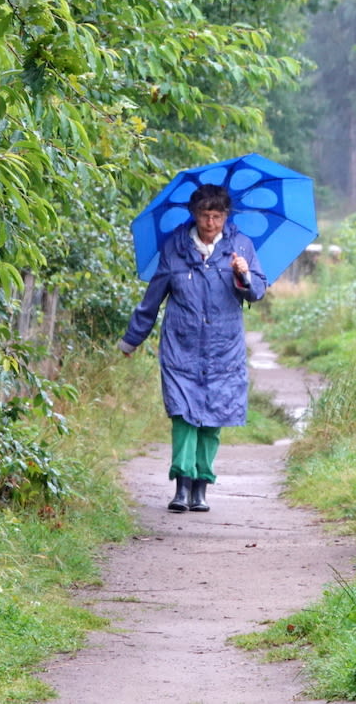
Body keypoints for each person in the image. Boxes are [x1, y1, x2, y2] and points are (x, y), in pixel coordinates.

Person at [118, 183, 267, 512]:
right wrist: (131, 339)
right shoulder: (174, 247)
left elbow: (256, 292)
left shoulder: (241, 246)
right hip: (180, 345)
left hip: (223, 347)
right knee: (183, 414)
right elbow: (152, 298)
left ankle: (202, 486)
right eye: (204, 215)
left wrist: (244, 275)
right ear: (193, 214)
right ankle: (181, 486)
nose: (211, 222)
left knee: (214, 416)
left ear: (227, 216)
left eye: (217, 216)